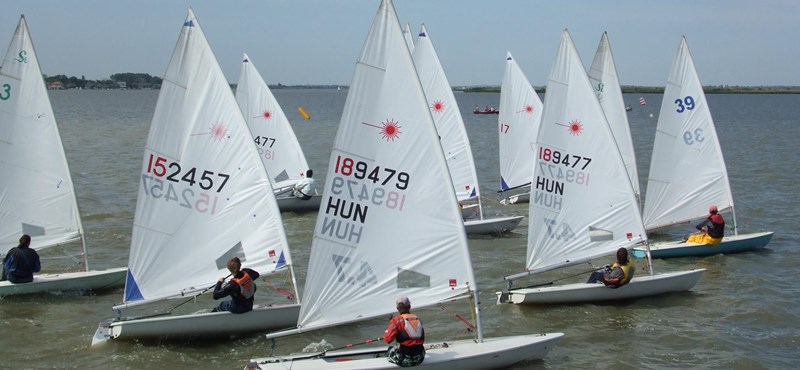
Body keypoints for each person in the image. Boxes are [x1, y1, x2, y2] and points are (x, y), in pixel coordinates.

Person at [384, 296, 425, 367]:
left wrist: (391, 324)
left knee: (390, 349)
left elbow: (387, 339)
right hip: (420, 358)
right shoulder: (418, 318)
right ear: (409, 306)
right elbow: (422, 339)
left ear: (397, 308)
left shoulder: (396, 320)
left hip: (405, 359)